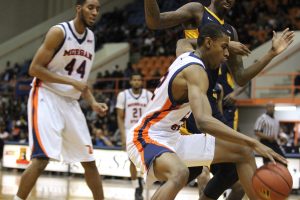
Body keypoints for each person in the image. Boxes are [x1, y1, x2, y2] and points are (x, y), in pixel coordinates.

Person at [143, 0, 294, 199]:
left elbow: (240, 77)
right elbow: (156, 22)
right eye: (221, 47)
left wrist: (271, 54)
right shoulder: (196, 11)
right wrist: (225, 43)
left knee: (229, 173)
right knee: (236, 157)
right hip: (192, 105)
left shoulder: (230, 30)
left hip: (211, 102)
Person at [14, 1, 107, 200]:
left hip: (71, 103)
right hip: (47, 95)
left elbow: (80, 81)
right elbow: (35, 69)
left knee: (89, 161)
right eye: (90, 7)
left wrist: (92, 103)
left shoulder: (90, 37)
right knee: (41, 159)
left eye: (98, 9)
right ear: (78, 7)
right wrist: (70, 81)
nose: (95, 12)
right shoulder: (59, 32)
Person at [116, 72, 153, 200]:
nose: (136, 82)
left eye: (139, 80)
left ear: (141, 82)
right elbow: (120, 117)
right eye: (134, 80)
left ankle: (141, 183)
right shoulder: (123, 95)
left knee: (145, 160)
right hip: (129, 131)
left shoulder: (148, 95)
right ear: (131, 82)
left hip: (144, 131)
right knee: (132, 160)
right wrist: (122, 134)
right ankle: (136, 187)